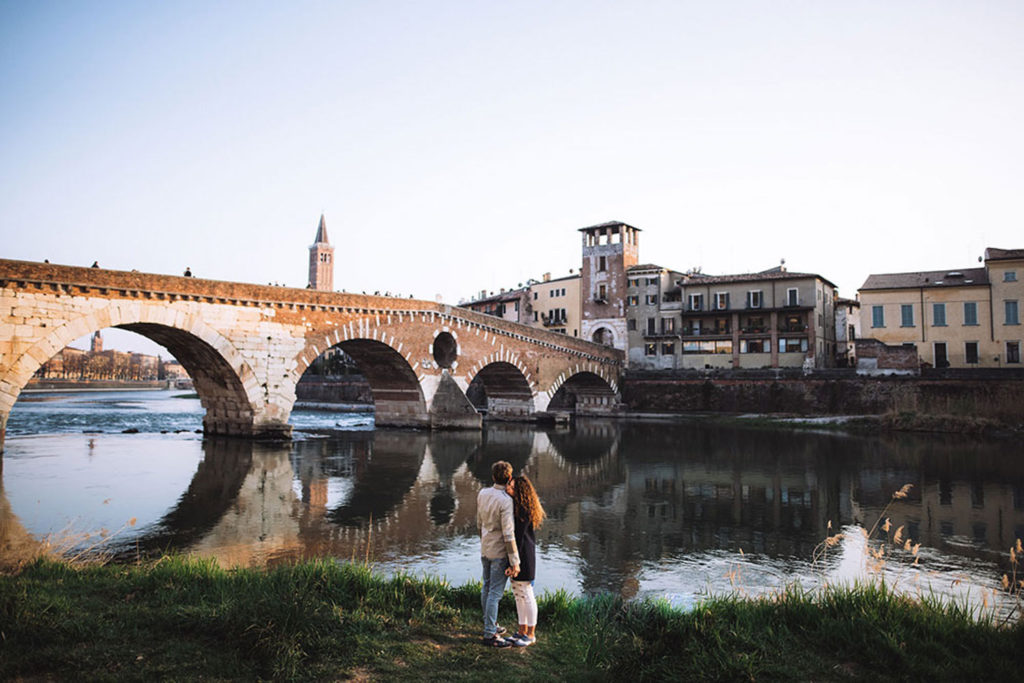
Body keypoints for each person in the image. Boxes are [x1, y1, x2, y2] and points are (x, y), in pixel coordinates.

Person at [477, 460, 520, 647]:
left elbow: (479, 522)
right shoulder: (506, 501)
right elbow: (508, 533)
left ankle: (490, 624)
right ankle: (490, 634)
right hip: (499, 551)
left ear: (493, 476)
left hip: (485, 547)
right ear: (509, 478)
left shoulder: (482, 493)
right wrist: (515, 561)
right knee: (495, 592)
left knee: (486, 587)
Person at [507, 475, 545, 647]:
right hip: (518, 556)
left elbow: (519, 537)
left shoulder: (523, 510)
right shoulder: (517, 507)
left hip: (524, 557)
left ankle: (531, 633)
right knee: (518, 594)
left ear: (521, 492)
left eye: (513, 488)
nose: (509, 489)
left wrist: (514, 561)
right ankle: (521, 630)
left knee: (527, 594)